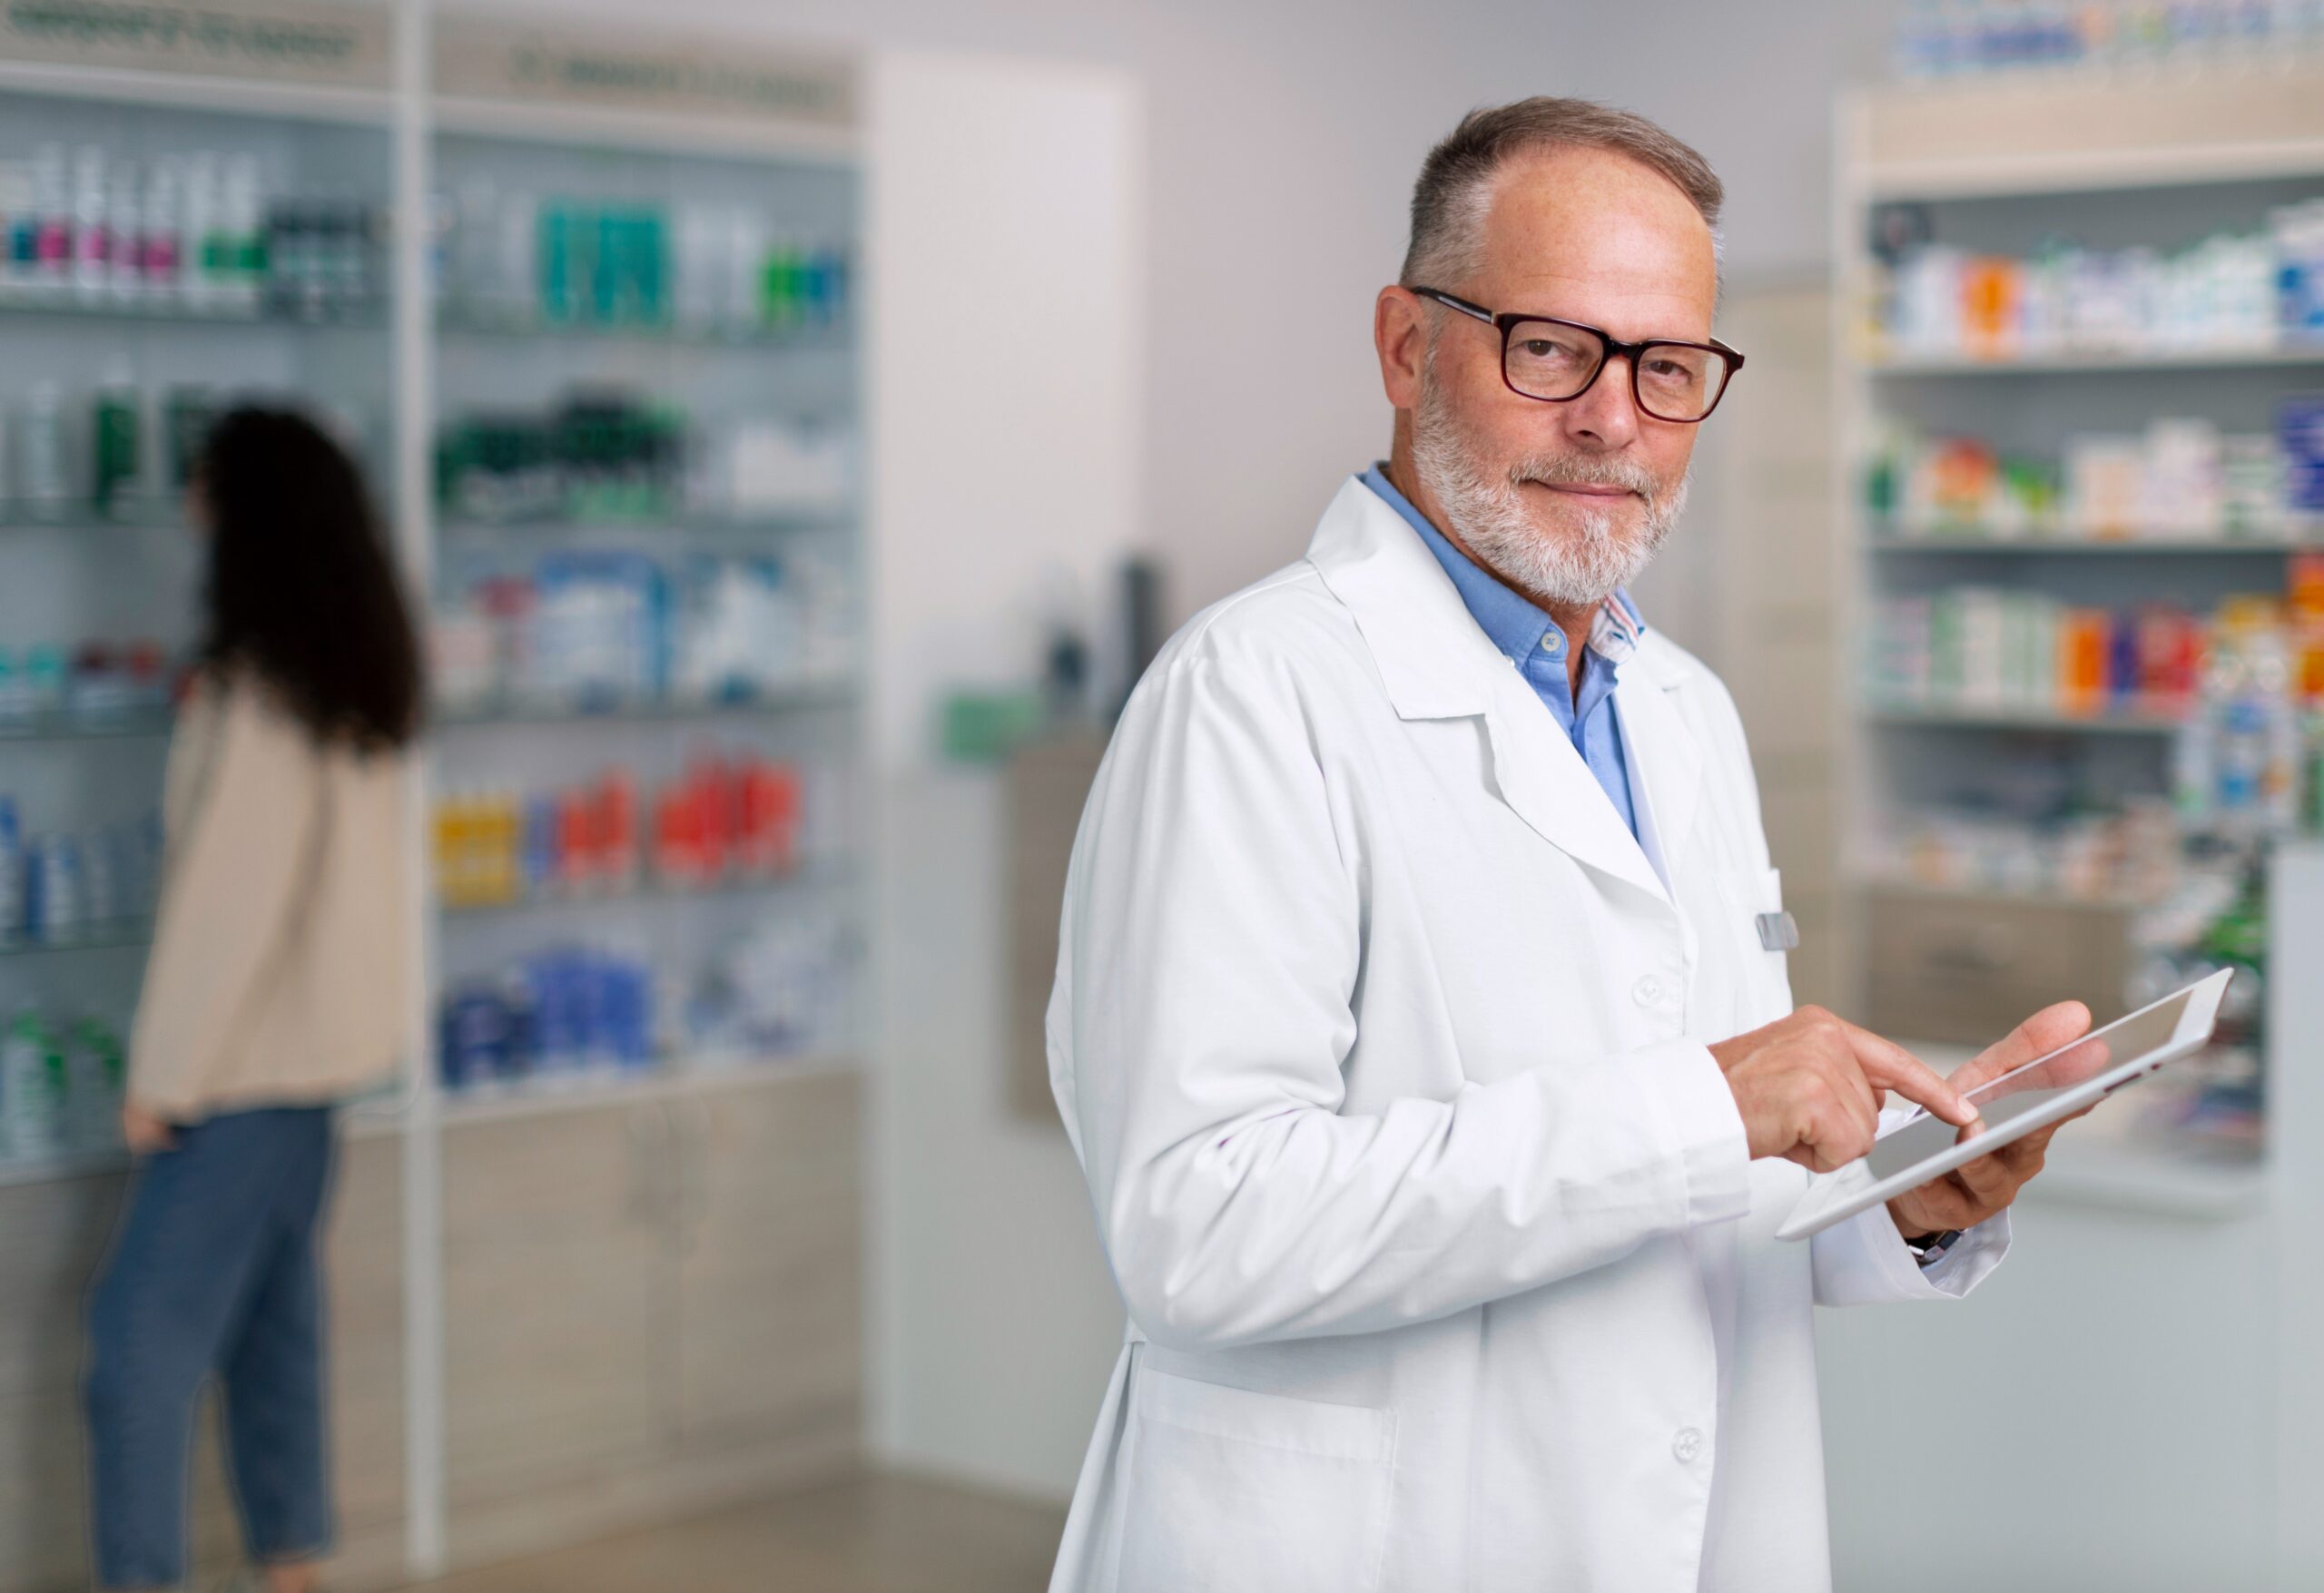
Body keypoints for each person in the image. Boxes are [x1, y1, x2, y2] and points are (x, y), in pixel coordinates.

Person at [1043, 98, 2091, 1593]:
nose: (1614, 420)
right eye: (1552, 347)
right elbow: (1199, 1229)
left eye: (1668, 369)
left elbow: (1700, 1192)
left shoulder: (1683, 713)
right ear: (1409, 348)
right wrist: (1704, 1103)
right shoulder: (1251, 695)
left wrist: (1901, 1203)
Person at [83, 407, 421, 1593]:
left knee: (134, 1356)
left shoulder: (263, 693)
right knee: (276, 1349)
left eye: (201, 486)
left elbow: (226, 913)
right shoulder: (347, 674)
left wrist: (159, 1078)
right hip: (314, 1076)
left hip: (238, 1082)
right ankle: (295, 1574)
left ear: (244, 512)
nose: (186, 508)